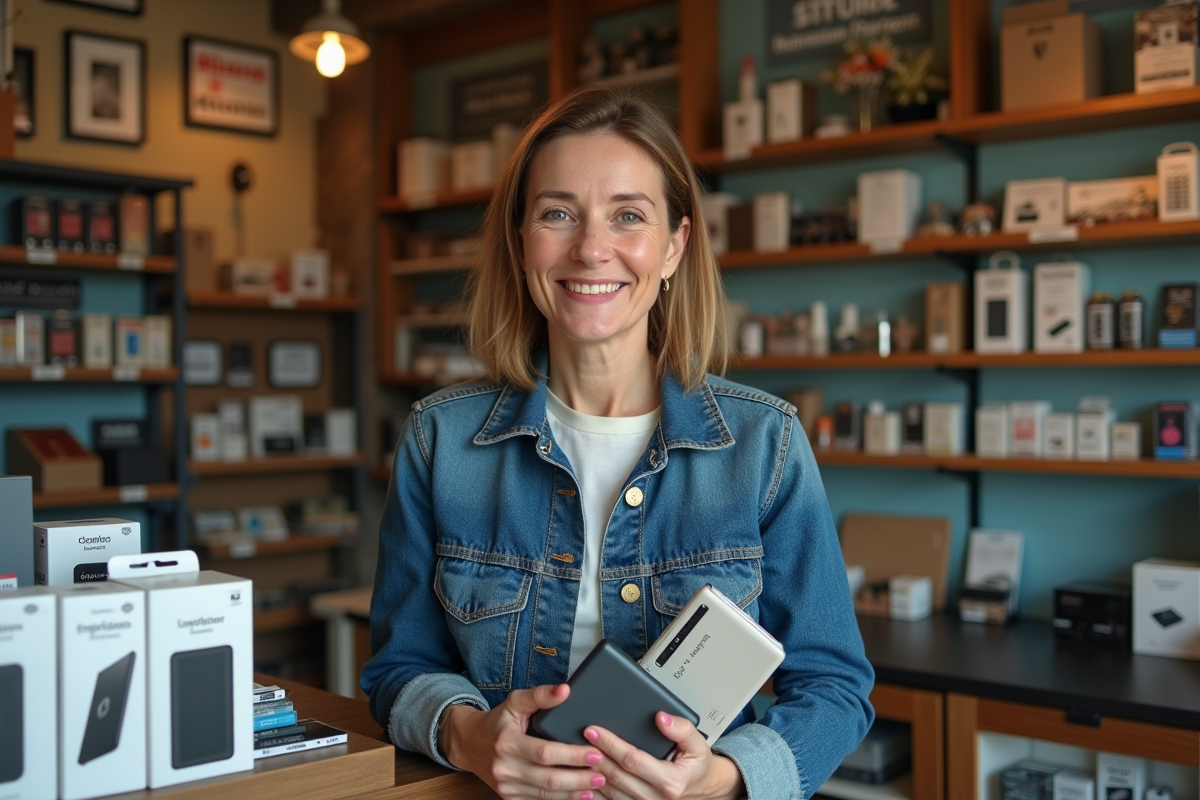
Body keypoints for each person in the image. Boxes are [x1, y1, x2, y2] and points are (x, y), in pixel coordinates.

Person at [362, 83, 874, 800]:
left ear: (674, 246)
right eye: (558, 213)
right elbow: (399, 667)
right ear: (521, 241)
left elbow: (834, 687)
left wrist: (719, 779)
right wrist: (468, 735)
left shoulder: (766, 445)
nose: (591, 247)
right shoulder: (439, 441)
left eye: (627, 215)